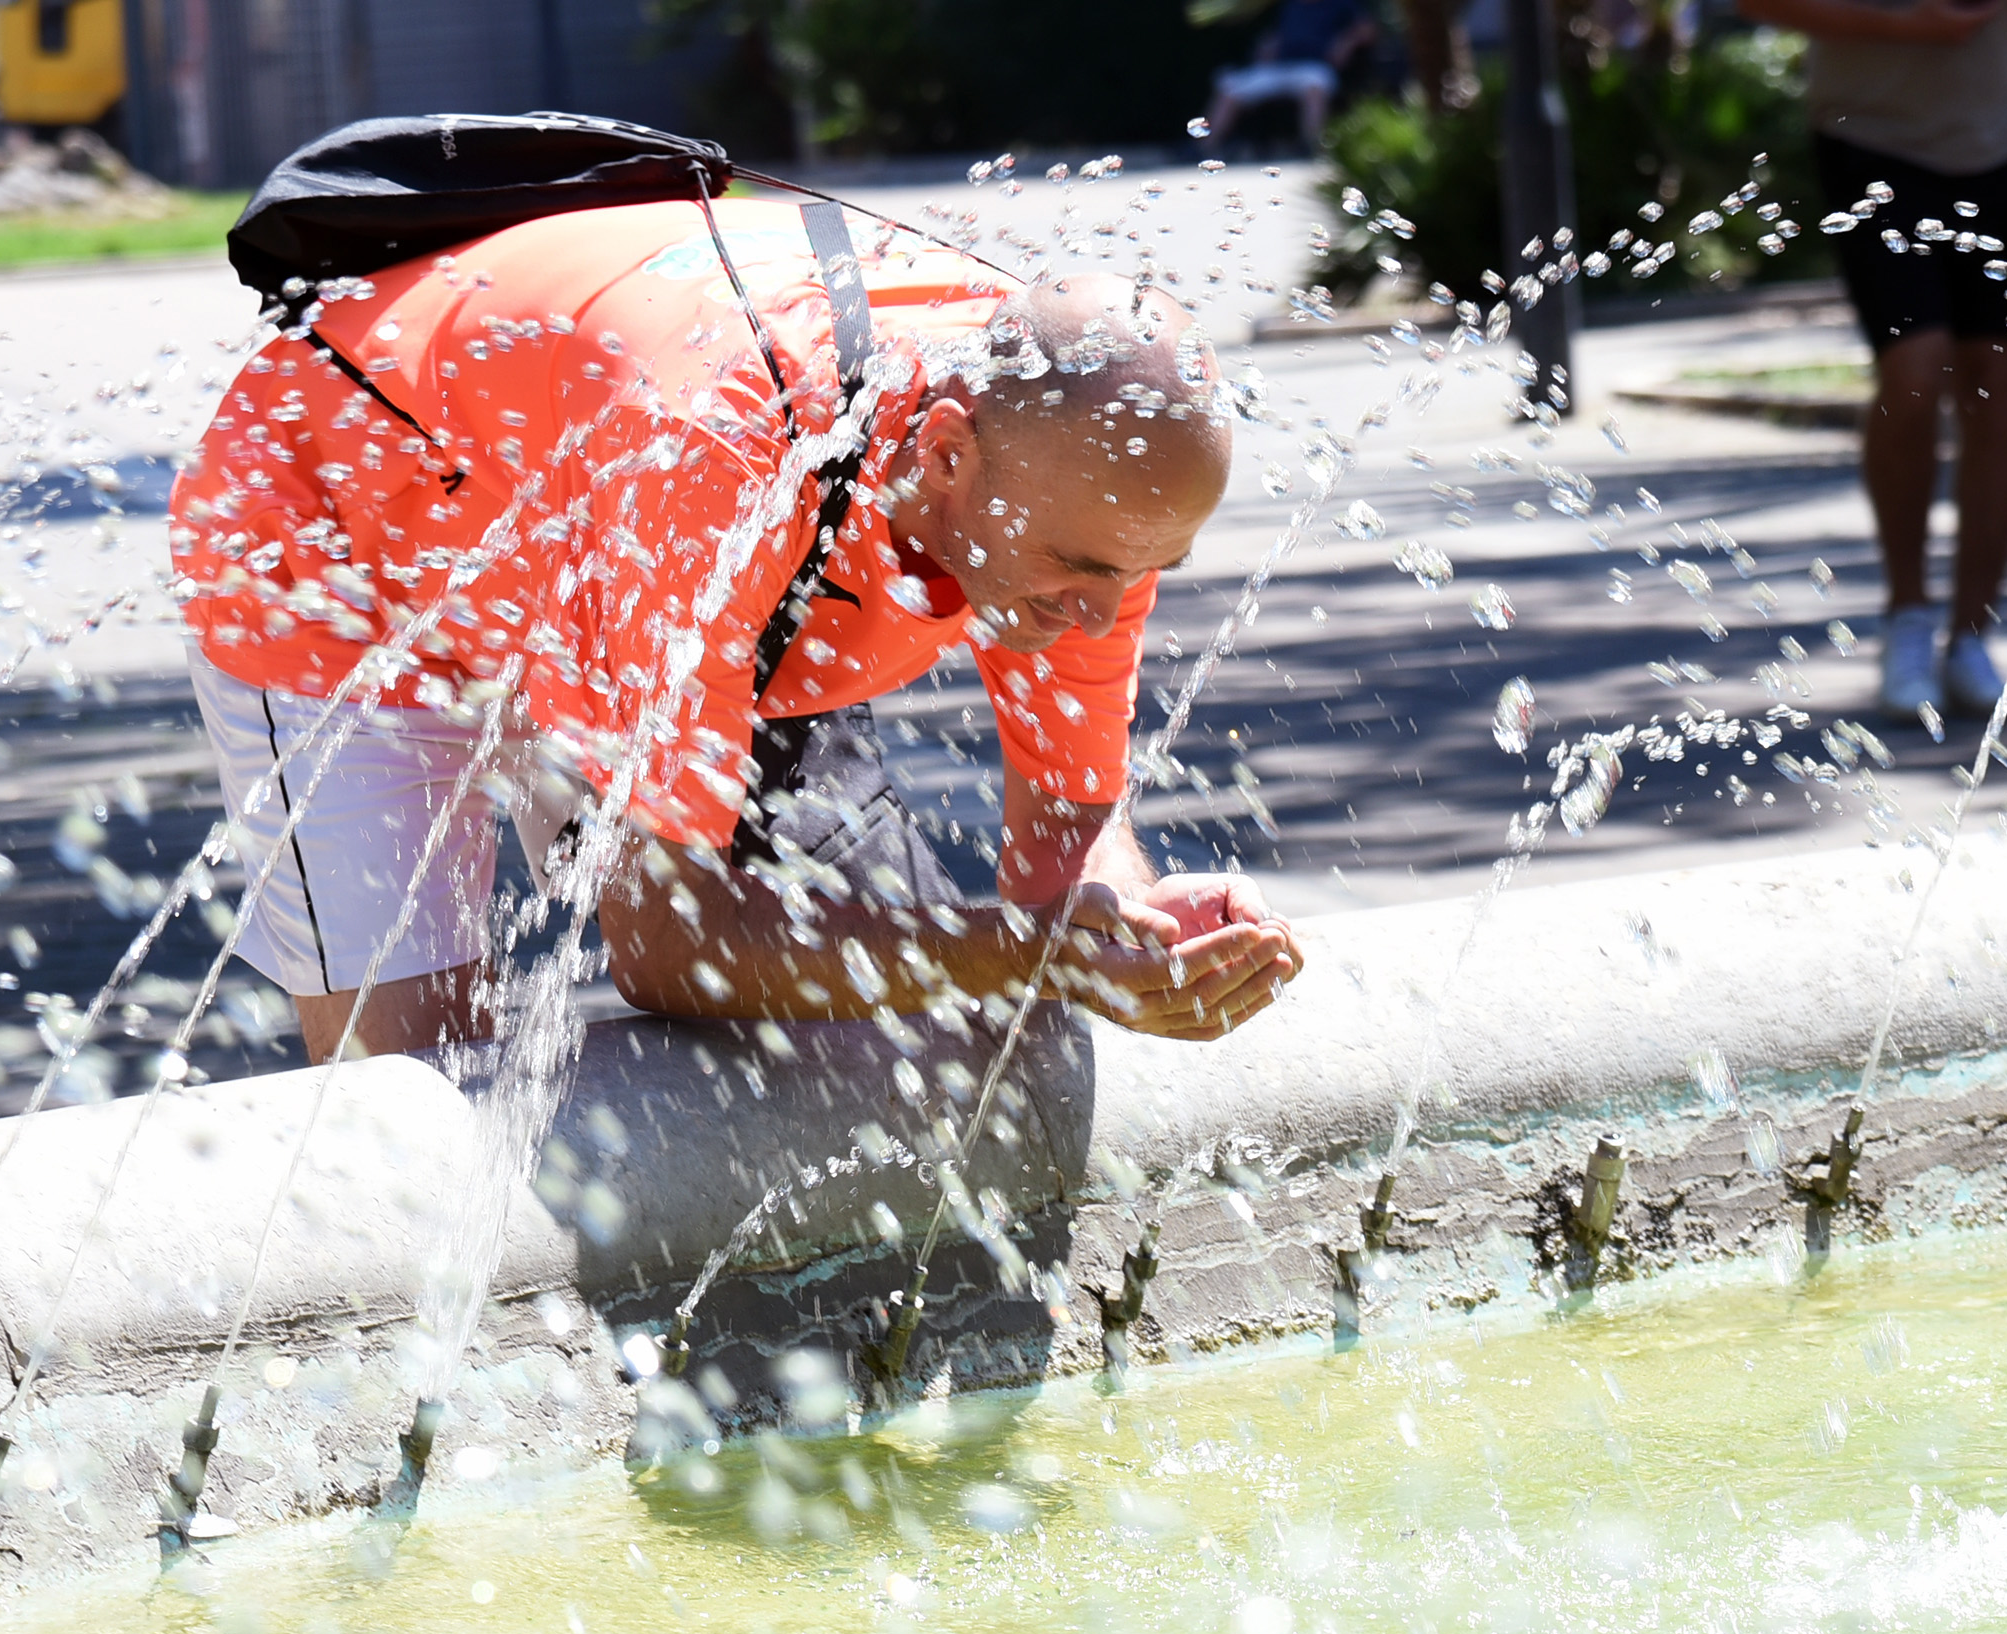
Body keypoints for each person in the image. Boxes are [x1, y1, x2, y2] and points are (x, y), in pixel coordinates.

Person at [168, 199, 1305, 1064]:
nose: (1105, 613)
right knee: (425, 1088)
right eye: (1085, 574)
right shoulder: (723, 464)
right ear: (947, 455)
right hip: (339, 538)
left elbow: (1066, 828)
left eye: (1148, 572)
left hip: (600, 527)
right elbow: (673, 945)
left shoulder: (1091, 468)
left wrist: (1136, 926)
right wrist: (1023, 951)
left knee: (906, 1048)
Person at [1738, 0, 2007, 728]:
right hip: (1872, 142)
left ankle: (1972, 636)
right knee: (1913, 371)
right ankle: (1908, 618)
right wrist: (1900, 24)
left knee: (1994, 382)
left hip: (2001, 143)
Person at [1206, 0, 1379, 155]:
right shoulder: (1291, 3)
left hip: (1315, 66)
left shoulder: (1341, 1)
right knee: (1230, 87)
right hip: (1279, 67)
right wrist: (1267, 47)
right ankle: (1205, 148)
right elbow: (1278, 34)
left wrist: (1346, 42)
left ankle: (1313, 147)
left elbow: (1368, 30)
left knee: (1314, 87)